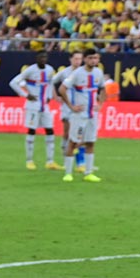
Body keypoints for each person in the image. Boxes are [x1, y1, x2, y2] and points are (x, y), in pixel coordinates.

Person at [9, 51, 63, 171]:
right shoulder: (30, 70)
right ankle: (29, 160)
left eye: (45, 57)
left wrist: (49, 95)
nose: (43, 59)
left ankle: (50, 161)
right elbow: (13, 82)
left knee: (50, 130)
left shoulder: (49, 70)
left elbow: (50, 84)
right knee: (32, 130)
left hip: (45, 105)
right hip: (32, 105)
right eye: (41, 57)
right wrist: (25, 95)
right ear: (36, 58)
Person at [58, 48, 105, 183]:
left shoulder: (98, 73)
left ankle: (88, 173)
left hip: (92, 114)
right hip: (79, 114)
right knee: (73, 142)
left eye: (95, 58)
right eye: (90, 58)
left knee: (90, 142)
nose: (93, 61)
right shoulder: (77, 73)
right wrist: (71, 106)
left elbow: (103, 89)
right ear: (85, 59)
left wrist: (100, 104)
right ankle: (68, 173)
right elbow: (62, 89)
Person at [52, 50, 85, 173]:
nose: (78, 61)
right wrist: (55, 96)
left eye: (80, 59)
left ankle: (80, 163)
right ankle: (68, 161)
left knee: (80, 134)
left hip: (80, 107)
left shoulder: (84, 72)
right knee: (68, 134)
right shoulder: (65, 72)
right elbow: (51, 82)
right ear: (70, 59)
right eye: (75, 59)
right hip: (67, 107)